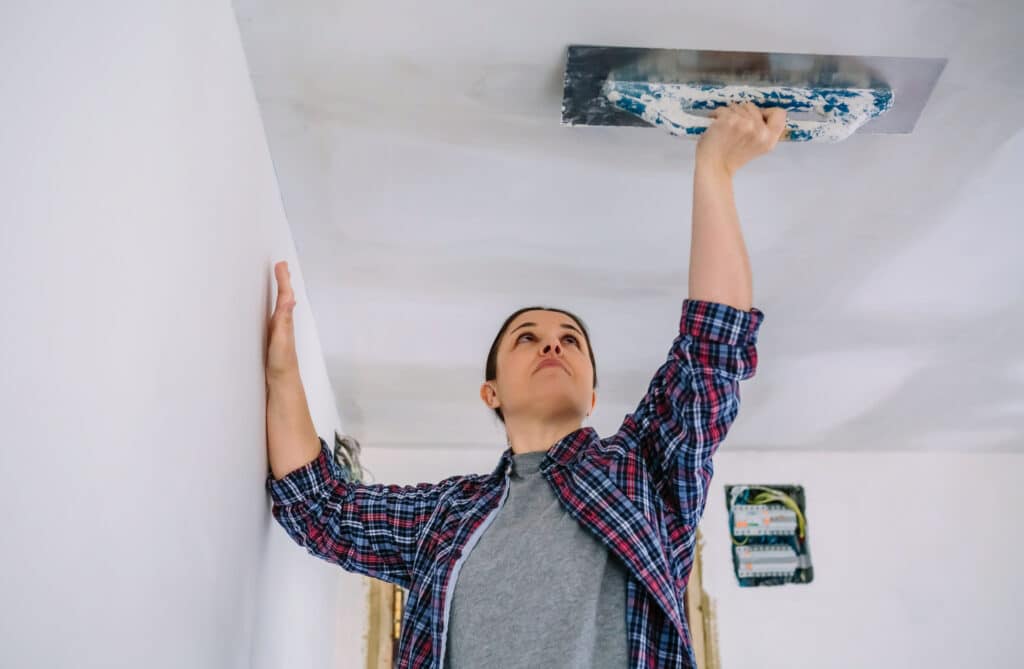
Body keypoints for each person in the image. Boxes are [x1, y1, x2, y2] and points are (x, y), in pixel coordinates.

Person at [265, 101, 786, 669]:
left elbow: (712, 349)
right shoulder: (445, 516)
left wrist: (715, 169)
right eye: (526, 338)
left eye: (571, 339)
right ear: (492, 393)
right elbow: (319, 508)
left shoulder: (646, 469)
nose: (552, 345)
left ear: (591, 396)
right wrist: (282, 372)